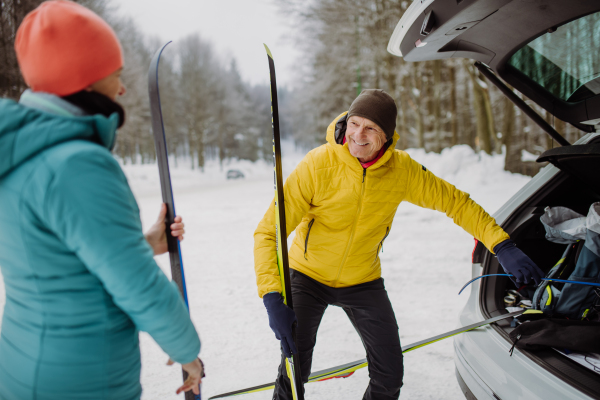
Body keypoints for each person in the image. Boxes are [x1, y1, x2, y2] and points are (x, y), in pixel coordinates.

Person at [254, 89, 544, 400]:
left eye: (371, 128)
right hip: (307, 275)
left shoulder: (401, 170)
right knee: (295, 367)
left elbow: (456, 203)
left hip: (361, 281)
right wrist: (272, 297)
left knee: (390, 376)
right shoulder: (317, 165)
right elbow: (268, 233)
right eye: (354, 123)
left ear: (387, 135)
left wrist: (502, 245)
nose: (358, 135)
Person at [0, 1, 202, 399]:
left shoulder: (19, 152)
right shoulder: (77, 163)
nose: (123, 88)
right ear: (86, 79)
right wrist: (188, 352)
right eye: (116, 74)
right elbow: (135, 282)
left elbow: (62, 262)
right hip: (82, 376)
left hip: (25, 362)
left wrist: (146, 243)